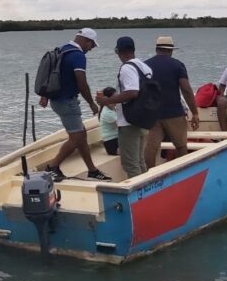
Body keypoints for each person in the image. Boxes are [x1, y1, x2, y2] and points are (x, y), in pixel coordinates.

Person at [38, 28, 110, 181]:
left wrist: (44, 95)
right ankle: (52, 167)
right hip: (67, 102)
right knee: (77, 138)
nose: (91, 49)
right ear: (86, 40)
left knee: (81, 135)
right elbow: (81, 82)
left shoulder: (62, 50)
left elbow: (51, 73)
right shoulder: (78, 56)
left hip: (57, 100)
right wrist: (91, 103)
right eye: (91, 45)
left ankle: (92, 169)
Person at [96, 36, 152, 179]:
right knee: (139, 161)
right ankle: (146, 191)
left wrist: (106, 100)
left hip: (129, 122)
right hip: (144, 119)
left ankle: (139, 197)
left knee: (130, 164)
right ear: (133, 50)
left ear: (118, 51)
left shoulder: (127, 68)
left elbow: (133, 92)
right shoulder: (144, 66)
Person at [143, 36, 199, 169]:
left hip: (152, 114)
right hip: (174, 113)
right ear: (171, 51)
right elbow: (186, 89)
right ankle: (181, 172)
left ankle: (149, 176)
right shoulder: (178, 65)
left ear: (157, 49)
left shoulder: (144, 65)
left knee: (151, 148)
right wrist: (195, 112)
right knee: (180, 145)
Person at [98, 87, 119, 156]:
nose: (117, 98)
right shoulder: (107, 113)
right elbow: (121, 127)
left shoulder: (113, 108)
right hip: (112, 144)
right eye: (115, 97)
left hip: (117, 139)